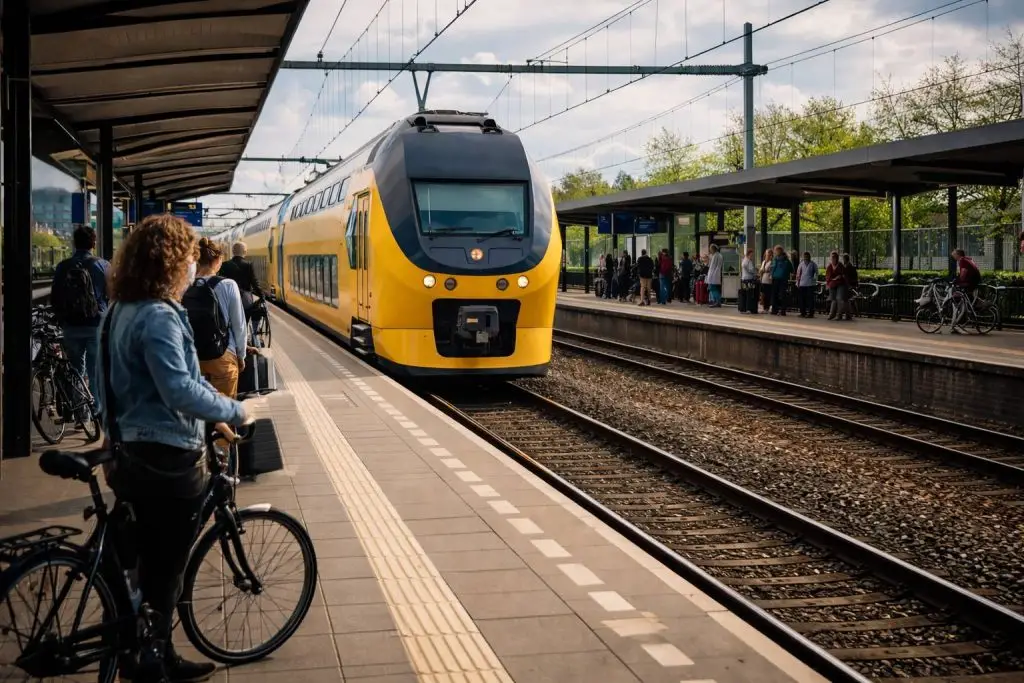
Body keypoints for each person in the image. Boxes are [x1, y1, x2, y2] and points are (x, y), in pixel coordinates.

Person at [98, 214, 250, 683]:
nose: (191, 267)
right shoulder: (159, 315)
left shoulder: (117, 311)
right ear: (169, 262)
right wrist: (233, 411)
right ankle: (152, 662)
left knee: (144, 562)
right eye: (186, 259)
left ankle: (142, 650)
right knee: (166, 569)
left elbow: (103, 385)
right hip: (163, 459)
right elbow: (180, 390)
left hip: (125, 451)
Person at [50, 225, 111, 425]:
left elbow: (55, 297)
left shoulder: (63, 266)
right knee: (94, 371)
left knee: (75, 370)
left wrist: (61, 319)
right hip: (96, 324)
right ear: (93, 243)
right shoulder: (102, 265)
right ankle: (96, 411)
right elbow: (112, 295)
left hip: (71, 326)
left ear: (74, 243)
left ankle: (80, 415)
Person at [184, 238, 249, 399]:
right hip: (222, 356)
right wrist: (241, 355)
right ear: (218, 260)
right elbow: (239, 325)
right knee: (224, 415)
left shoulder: (185, 285)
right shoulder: (228, 284)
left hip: (192, 359)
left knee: (197, 416)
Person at [218, 241, 262, 322]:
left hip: (228, 298)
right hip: (245, 299)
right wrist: (261, 296)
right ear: (245, 252)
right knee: (246, 318)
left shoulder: (224, 265)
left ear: (233, 252)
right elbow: (254, 282)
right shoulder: (248, 265)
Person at [825, 251, 848, 321]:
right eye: (832, 258)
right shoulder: (829, 267)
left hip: (841, 284)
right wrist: (830, 282)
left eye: (834, 258)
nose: (833, 259)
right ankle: (831, 314)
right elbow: (828, 277)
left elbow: (844, 275)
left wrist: (840, 277)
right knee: (833, 299)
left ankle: (839, 315)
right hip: (832, 284)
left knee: (839, 298)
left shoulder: (840, 265)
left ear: (837, 258)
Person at [770, 245, 793, 315]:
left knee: (779, 295)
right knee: (778, 295)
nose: (775, 252)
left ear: (779, 251)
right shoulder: (777, 260)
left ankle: (779, 310)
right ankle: (778, 310)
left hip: (780, 279)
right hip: (779, 279)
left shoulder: (781, 260)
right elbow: (791, 270)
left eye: (775, 251)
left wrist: (772, 275)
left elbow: (791, 270)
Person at [795, 251, 819, 318]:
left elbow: (816, 273)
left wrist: (814, 281)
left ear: (809, 257)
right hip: (802, 284)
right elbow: (798, 274)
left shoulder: (813, 264)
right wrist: (797, 282)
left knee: (810, 299)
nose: (806, 257)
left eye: (807, 256)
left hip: (810, 284)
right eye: (805, 256)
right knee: (802, 299)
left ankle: (811, 313)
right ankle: (803, 312)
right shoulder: (801, 264)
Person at [739, 248, 758, 314]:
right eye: (752, 254)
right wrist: (755, 271)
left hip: (744, 279)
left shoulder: (743, 260)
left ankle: (743, 308)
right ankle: (748, 309)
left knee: (745, 294)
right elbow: (751, 270)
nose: (752, 256)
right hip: (749, 279)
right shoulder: (749, 261)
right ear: (749, 254)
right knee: (749, 294)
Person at [842, 254, 858, 319]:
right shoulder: (851, 267)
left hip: (849, 285)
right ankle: (855, 313)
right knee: (851, 299)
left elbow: (847, 277)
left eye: (843, 259)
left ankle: (849, 314)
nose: (843, 260)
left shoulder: (848, 267)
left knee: (848, 300)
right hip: (851, 285)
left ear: (845, 259)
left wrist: (850, 285)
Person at [759, 249, 774, 314]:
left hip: (768, 280)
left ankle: (767, 308)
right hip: (763, 280)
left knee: (767, 294)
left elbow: (769, 270)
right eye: (766, 253)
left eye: (768, 254)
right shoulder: (763, 262)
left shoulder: (771, 262)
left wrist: (764, 271)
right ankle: (764, 307)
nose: (766, 255)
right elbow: (761, 270)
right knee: (763, 294)